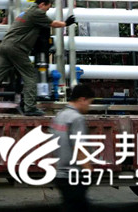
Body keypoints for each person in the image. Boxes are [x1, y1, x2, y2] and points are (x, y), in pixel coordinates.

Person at [0, 0, 75, 116]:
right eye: (47, 8)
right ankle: (30, 108)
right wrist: (66, 23)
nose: (46, 11)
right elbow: (52, 24)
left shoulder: (25, 13)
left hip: (4, 46)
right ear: (42, 4)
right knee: (30, 75)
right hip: (17, 48)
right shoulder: (37, 12)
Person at [50, 84, 94, 212]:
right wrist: (88, 170)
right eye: (89, 103)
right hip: (74, 176)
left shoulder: (59, 116)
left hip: (60, 175)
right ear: (82, 99)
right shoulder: (77, 118)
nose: (89, 107)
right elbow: (79, 147)